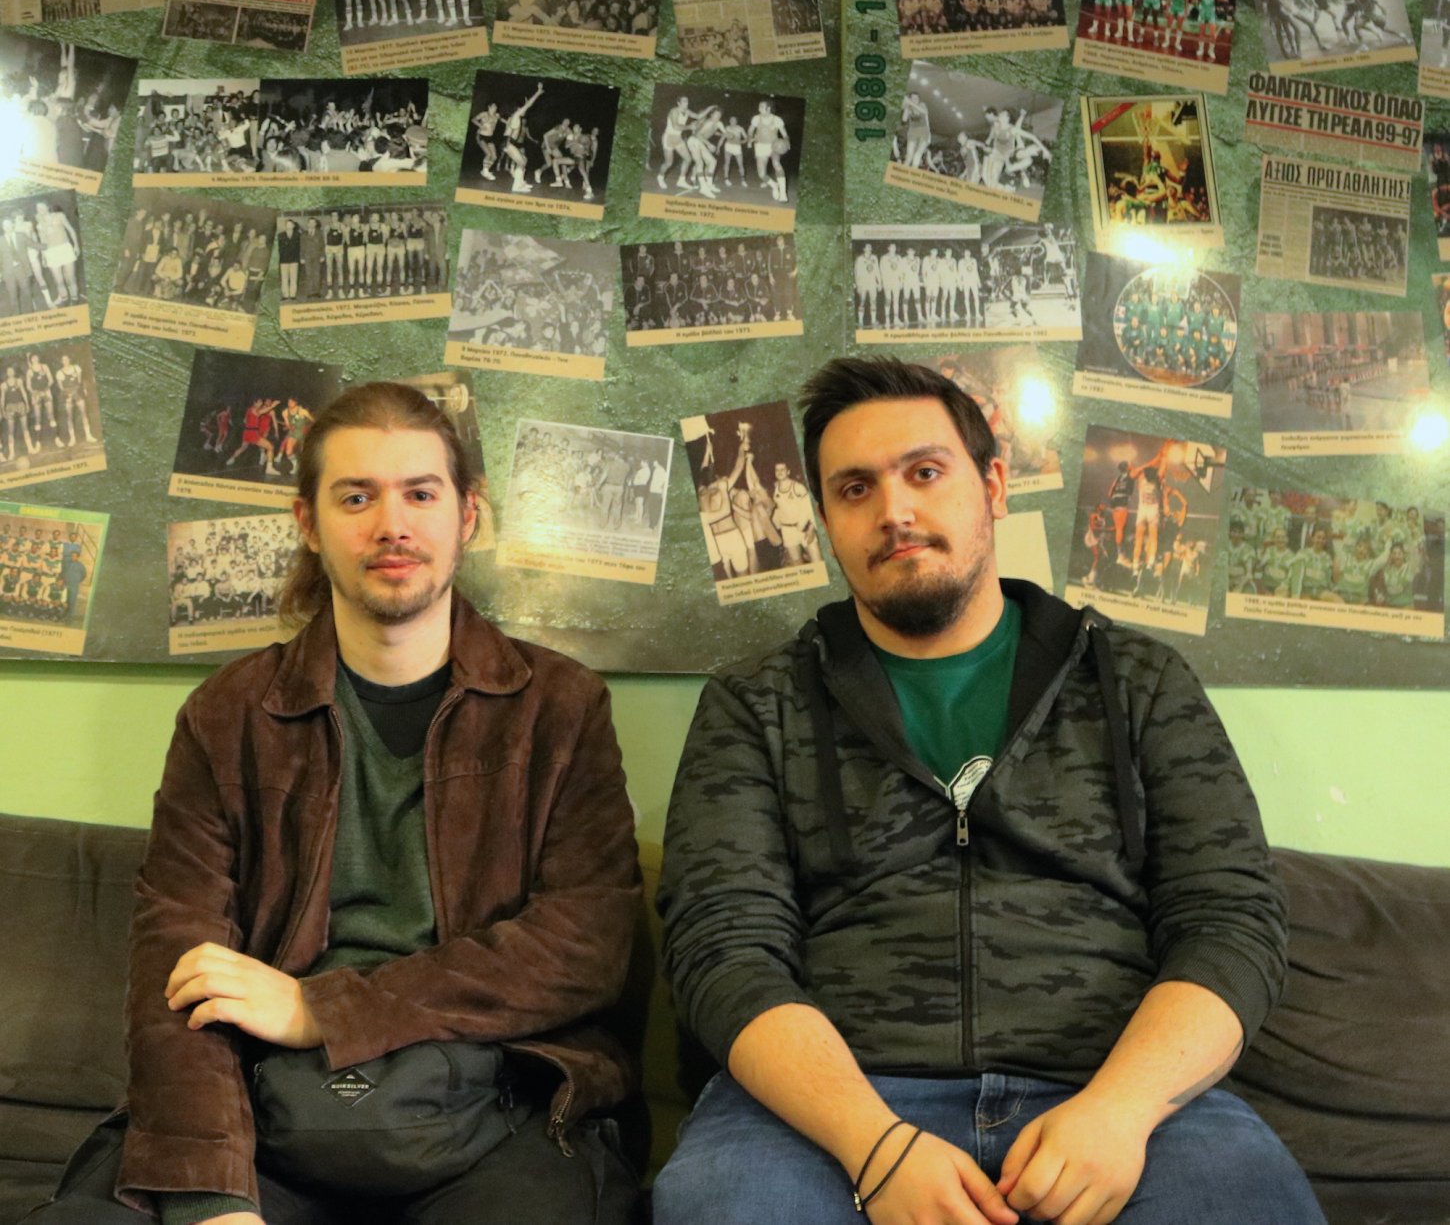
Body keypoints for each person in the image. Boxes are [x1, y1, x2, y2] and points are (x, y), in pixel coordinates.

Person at [655, 357, 1322, 1225]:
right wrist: (874, 1144)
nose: (894, 510)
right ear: (825, 524)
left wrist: (1120, 1111)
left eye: (925, 472)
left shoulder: (1138, 682)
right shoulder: (755, 705)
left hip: (1109, 1089)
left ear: (994, 486)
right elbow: (722, 948)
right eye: (855, 488)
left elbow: (1231, 920)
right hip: (833, 1107)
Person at [26, 382, 641, 1225]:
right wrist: (213, 1198)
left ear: (467, 514)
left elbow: (586, 945)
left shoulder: (561, 708)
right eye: (357, 497)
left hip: (499, 1110)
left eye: (420, 493)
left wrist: (321, 1007)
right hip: (266, 1113)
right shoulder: (226, 716)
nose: (392, 523)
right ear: (308, 524)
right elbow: (179, 974)